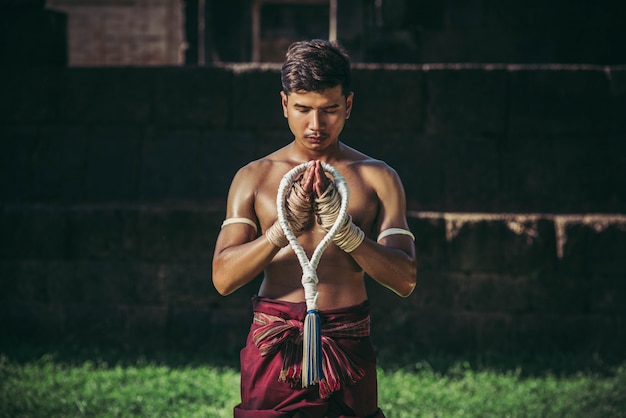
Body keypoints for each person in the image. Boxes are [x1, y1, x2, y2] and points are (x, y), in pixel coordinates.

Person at [212, 39, 417, 418]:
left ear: (349, 106)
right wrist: (278, 232)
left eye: (330, 110)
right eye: (303, 109)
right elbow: (223, 278)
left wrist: (347, 234)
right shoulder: (253, 178)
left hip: (349, 338)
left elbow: (405, 279)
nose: (316, 125)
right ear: (284, 104)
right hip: (275, 338)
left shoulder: (378, 177)